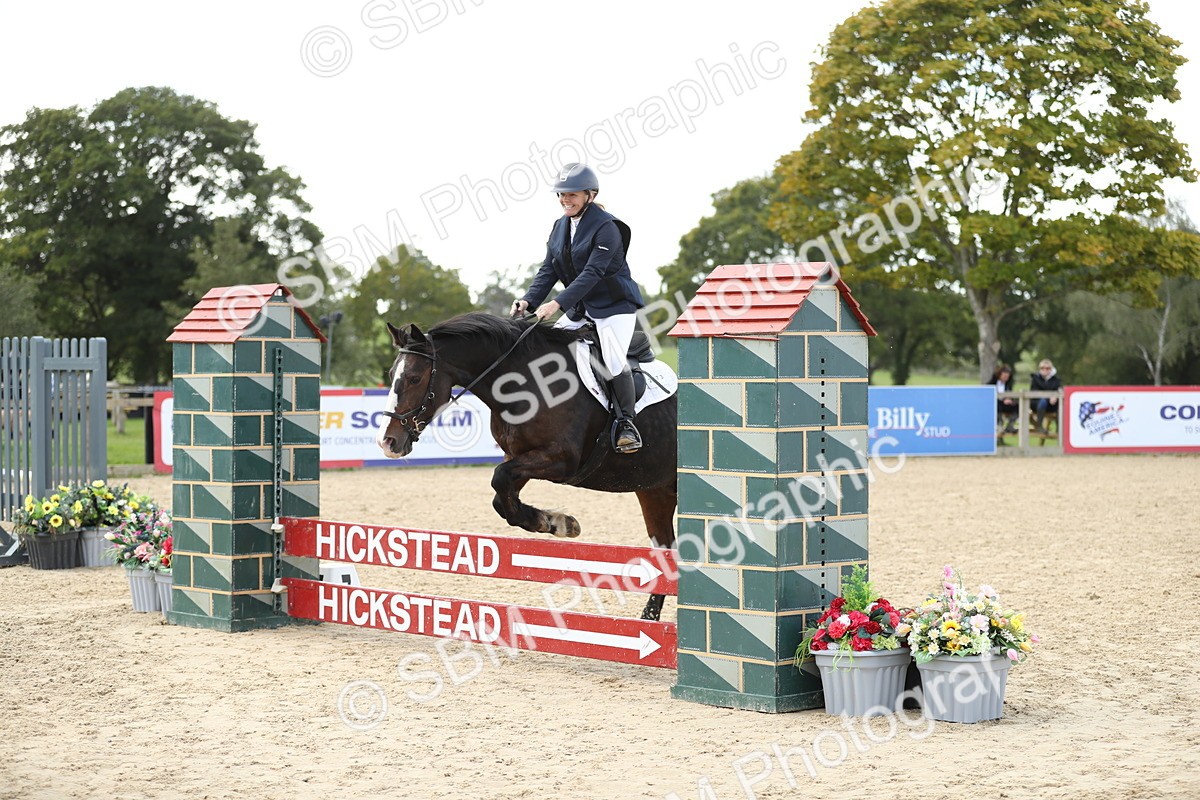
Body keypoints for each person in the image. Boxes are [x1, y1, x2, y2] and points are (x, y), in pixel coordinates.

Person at [510, 163, 646, 453]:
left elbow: (592, 273)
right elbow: (548, 270)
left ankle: (626, 423)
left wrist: (557, 303)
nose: (564, 200)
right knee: (547, 350)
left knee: (611, 360)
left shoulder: (607, 227)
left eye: (571, 195)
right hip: (580, 309)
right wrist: (528, 301)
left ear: (590, 195)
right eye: (561, 195)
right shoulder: (560, 227)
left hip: (614, 307)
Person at [1029, 358, 1062, 433]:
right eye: (1042, 368)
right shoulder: (1035, 378)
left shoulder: (1056, 380)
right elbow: (1034, 391)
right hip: (1037, 403)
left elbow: (1058, 390)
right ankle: (1039, 426)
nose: (1045, 370)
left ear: (1051, 369)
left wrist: (1055, 397)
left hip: (1052, 404)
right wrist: (1048, 397)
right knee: (1043, 401)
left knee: (1061, 404)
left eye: (1047, 368)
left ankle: (1060, 428)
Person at [989, 364, 1018, 435]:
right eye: (1004, 375)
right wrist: (1002, 400)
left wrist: (1010, 399)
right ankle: (1000, 425)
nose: (1006, 377)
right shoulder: (992, 383)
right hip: (996, 404)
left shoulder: (1008, 384)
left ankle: (1010, 425)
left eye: (1007, 376)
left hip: (1006, 404)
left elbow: (1010, 394)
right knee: (996, 405)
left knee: (1018, 406)